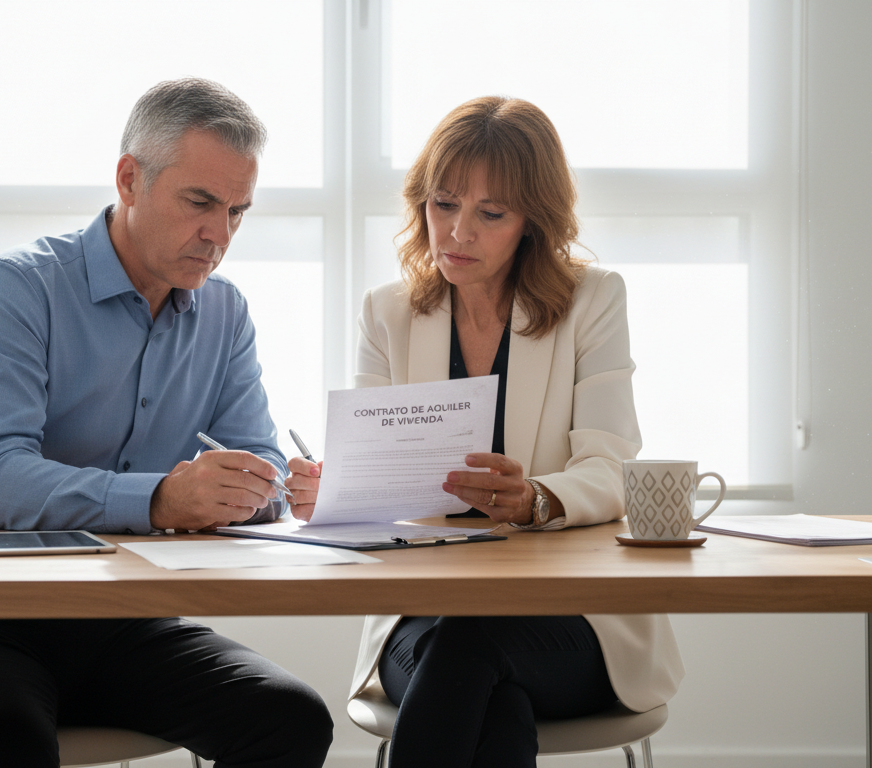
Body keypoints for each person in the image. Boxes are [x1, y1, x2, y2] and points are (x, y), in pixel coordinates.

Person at [0, 78, 333, 768]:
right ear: (130, 178)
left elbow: (256, 463)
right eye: (200, 202)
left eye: (238, 211)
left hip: (122, 624)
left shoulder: (225, 313)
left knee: (290, 720)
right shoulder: (19, 288)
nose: (220, 234)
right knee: (2, 740)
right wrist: (161, 500)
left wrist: (271, 489)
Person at [285, 96, 683, 766]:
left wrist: (537, 500)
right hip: (425, 620)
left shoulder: (592, 301)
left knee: (473, 653)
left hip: (573, 622)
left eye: (489, 213)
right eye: (443, 204)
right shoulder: (388, 314)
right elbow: (375, 479)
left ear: (533, 220)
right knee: (490, 695)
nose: (458, 232)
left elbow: (611, 467)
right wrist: (330, 494)